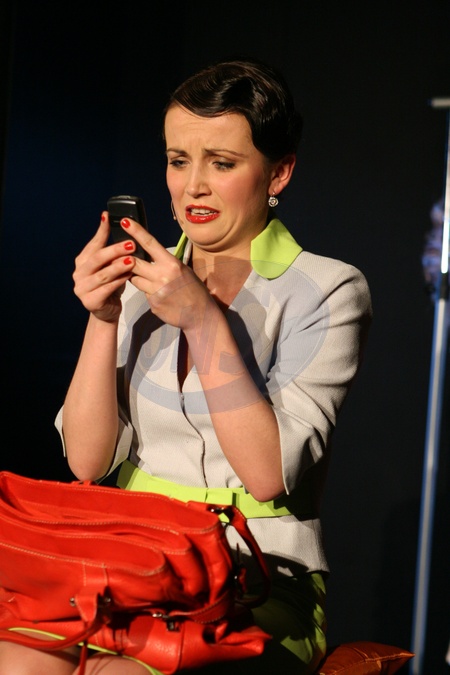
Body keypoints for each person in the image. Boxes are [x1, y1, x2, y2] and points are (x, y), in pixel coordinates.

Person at [0, 57, 372, 674]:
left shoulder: (327, 290)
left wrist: (203, 320)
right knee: (14, 662)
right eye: (179, 160)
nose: (193, 185)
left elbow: (267, 475)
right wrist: (103, 317)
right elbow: (87, 463)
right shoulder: (144, 280)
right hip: (130, 561)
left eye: (221, 163)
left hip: (258, 576)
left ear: (278, 173)